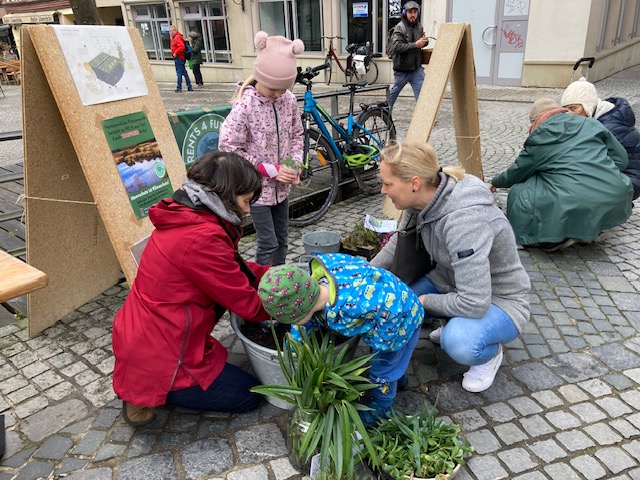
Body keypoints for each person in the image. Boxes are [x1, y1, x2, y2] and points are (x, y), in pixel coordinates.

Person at [112, 151, 271, 427]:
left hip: (150, 333)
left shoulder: (191, 216)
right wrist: (301, 301)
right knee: (249, 396)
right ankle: (152, 394)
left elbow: (235, 269)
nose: (247, 211)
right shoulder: (201, 238)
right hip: (163, 352)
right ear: (225, 195)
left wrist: (276, 275)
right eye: (245, 201)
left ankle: (146, 385)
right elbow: (250, 306)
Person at [371, 142, 531, 393]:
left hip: (499, 299)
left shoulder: (464, 220)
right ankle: (449, 319)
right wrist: (366, 274)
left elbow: (475, 302)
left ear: (414, 183)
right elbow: (399, 243)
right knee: (394, 303)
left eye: (388, 184)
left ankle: (487, 355)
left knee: (457, 341)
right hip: (449, 280)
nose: (382, 190)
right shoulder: (422, 199)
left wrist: (423, 301)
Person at [257, 253, 424, 425]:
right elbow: (303, 323)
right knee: (392, 363)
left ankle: (383, 407)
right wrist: (293, 345)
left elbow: (393, 311)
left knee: (382, 367)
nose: (291, 323)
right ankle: (398, 375)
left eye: (291, 320)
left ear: (302, 311)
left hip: (402, 320)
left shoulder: (352, 301)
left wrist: (381, 342)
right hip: (388, 309)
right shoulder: (319, 283)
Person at [491, 98, 633, 251]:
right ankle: (586, 232)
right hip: (614, 193)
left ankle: (549, 239)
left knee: (521, 190)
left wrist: (496, 182)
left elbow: (517, 173)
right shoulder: (591, 123)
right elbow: (621, 160)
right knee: (572, 189)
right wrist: (601, 168)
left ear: (536, 120)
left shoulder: (541, 136)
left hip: (574, 198)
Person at [219, 31, 304, 266]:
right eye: (272, 89)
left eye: (282, 89)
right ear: (259, 78)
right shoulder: (244, 105)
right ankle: (264, 290)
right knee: (268, 243)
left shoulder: (289, 100)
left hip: (282, 189)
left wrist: (293, 167)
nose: (277, 95)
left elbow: (297, 136)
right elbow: (229, 149)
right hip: (255, 191)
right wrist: (268, 169)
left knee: (283, 240)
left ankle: (280, 286)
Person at [561, 77, 640, 200]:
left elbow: (599, 165)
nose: (569, 114)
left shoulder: (608, 127)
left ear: (588, 106)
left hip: (629, 180)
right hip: (615, 175)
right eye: (565, 110)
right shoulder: (597, 119)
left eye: (573, 108)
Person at [388, 1, 428, 112]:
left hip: (416, 70)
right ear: (405, 13)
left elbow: (421, 41)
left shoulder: (419, 26)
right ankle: (385, 113)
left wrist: (425, 41)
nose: (413, 15)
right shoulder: (400, 27)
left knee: (422, 95)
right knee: (393, 94)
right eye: (410, 12)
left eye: (415, 12)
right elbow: (396, 47)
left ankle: (424, 116)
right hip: (402, 70)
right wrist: (416, 44)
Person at [169, 25, 193, 93]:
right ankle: (189, 86)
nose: (171, 32)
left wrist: (175, 53)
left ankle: (179, 87)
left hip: (179, 57)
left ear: (176, 30)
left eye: (173, 30)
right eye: (170, 31)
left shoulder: (177, 37)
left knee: (179, 73)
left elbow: (181, 47)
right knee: (184, 72)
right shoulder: (175, 38)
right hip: (179, 57)